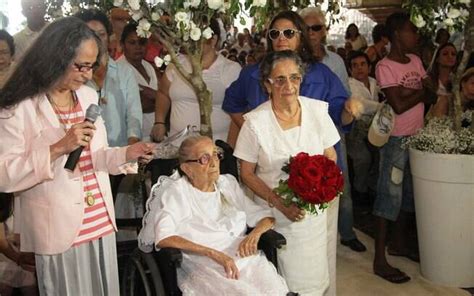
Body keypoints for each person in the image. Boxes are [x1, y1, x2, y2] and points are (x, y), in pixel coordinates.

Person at [0, 17, 155, 295]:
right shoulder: (19, 105)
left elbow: (97, 157)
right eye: (81, 66)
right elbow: (6, 174)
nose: (87, 74)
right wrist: (59, 147)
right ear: (54, 58)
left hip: (98, 220)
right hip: (57, 227)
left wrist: (127, 154)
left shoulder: (86, 97)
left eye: (91, 66)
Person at [234, 50, 340, 295]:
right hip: (276, 217)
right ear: (266, 84)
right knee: (283, 283)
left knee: (315, 279)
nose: (288, 86)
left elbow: (330, 155)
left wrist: (320, 191)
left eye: (294, 78)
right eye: (279, 79)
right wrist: (281, 204)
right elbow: (247, 173)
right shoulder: (255, 123)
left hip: (314, 215)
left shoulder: (317, 111)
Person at [139, 136, 289, 295]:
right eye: (204, 158)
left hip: (244, 260)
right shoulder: (177, 192)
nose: (214, 162)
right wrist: (213, 253)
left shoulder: (227, 184)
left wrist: (254, 235)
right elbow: (164, 237)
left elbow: (266, 218)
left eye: (216, 155)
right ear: (187, 168)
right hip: (204, 264)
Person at [372, 12, 436, 284]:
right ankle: (379, 259)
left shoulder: (417, 60)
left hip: (416, 137)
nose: (416, 35)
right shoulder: (385, 66)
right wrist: (418, 92)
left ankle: (398, 244)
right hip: (396, 139)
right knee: (389, 195)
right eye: (411, 30)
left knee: (410, 193)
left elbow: (432, 94)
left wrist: (410, 93)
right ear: (398, 34)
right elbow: (398, 105)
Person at [75, 9, 144, 198]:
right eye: (89, 34)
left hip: (118, 155)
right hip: (83, 159)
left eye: (101, 34)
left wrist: (130, 152)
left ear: (109, 36)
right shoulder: (73, 75)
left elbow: (134, 115)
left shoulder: (124, 72)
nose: (96, 40)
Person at [151, 18, 241, 143]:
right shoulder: (177, 64)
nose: (192, 41)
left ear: (213, 40)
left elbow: (240, 112)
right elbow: (163, 93)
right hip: (177, 146)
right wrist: (159, 121)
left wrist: (230, 148)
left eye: (198, 36)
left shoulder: (231, 69)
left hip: (215, 148)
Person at [346, 51, 381, 207]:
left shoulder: (374, 82)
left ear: (369, 66)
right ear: (350, 69)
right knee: (363, 159)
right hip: (355, 129)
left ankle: (372, 189)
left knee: (379, 157)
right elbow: (362, 105)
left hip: (374, 128)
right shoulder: (350, 84)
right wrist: (383, 106)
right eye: (355, 65)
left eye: (363, 64)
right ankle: (360, 192)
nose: (359, 68)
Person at [118, 22, 158, 142]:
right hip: (133, 139)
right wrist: (161, 99)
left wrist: (155, 96)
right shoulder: (118, 70)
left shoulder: (150, 67)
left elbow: (165, 96)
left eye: (142, 42)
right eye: (132, 42)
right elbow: (139, 106)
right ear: (122, 44)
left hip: (156, 136)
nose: (138, 47)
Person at [0, 193, 37, 296]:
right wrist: (19, 259)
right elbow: (1, 240)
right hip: (6, 258)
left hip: (29, 260)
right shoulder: (4, 198)